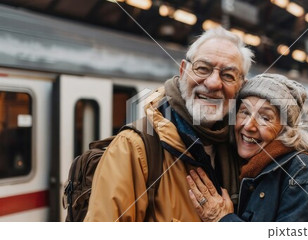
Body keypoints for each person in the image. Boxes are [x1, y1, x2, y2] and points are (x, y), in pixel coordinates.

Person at [84, 27, 254, 221]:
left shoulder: (244, 150)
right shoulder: (133, 148)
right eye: (202, 69)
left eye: (228, 75)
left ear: (240, 87)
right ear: (183, 71)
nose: (214, 83)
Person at [185, 73, 308, 222]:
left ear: (285, 129)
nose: (249, 125)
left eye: (265, 118)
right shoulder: (241, 163)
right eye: (244, 112)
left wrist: (223, 219)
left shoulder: (299, 171)